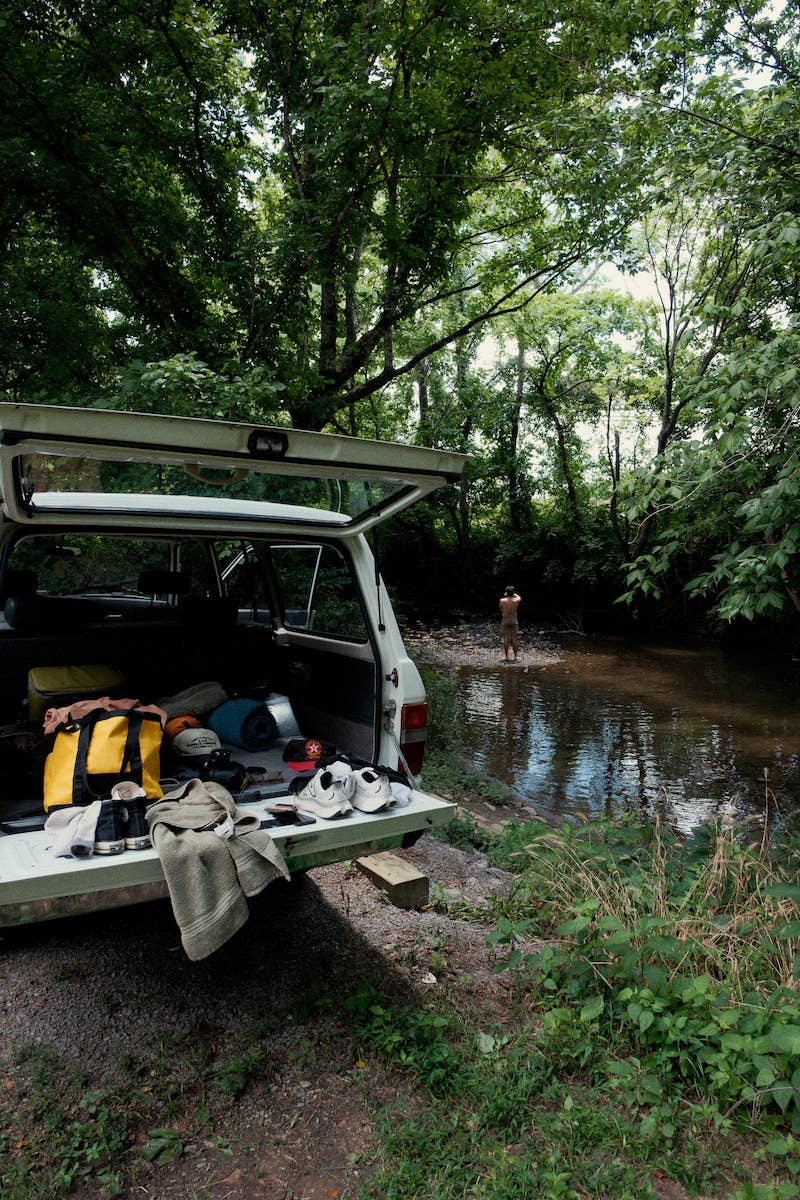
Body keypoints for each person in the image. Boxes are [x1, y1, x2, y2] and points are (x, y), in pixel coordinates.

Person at [499, 585, 521, 663]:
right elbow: (518, 596)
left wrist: (507, 595)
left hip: (505, 620)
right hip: (513, 620)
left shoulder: (502, 600)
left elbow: (500, 609)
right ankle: (515, 656)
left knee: (506, 638)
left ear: (506, 593)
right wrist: (513, 594)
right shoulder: (516, 600)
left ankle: (506, 656)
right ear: (513, 593)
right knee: (514, 638)